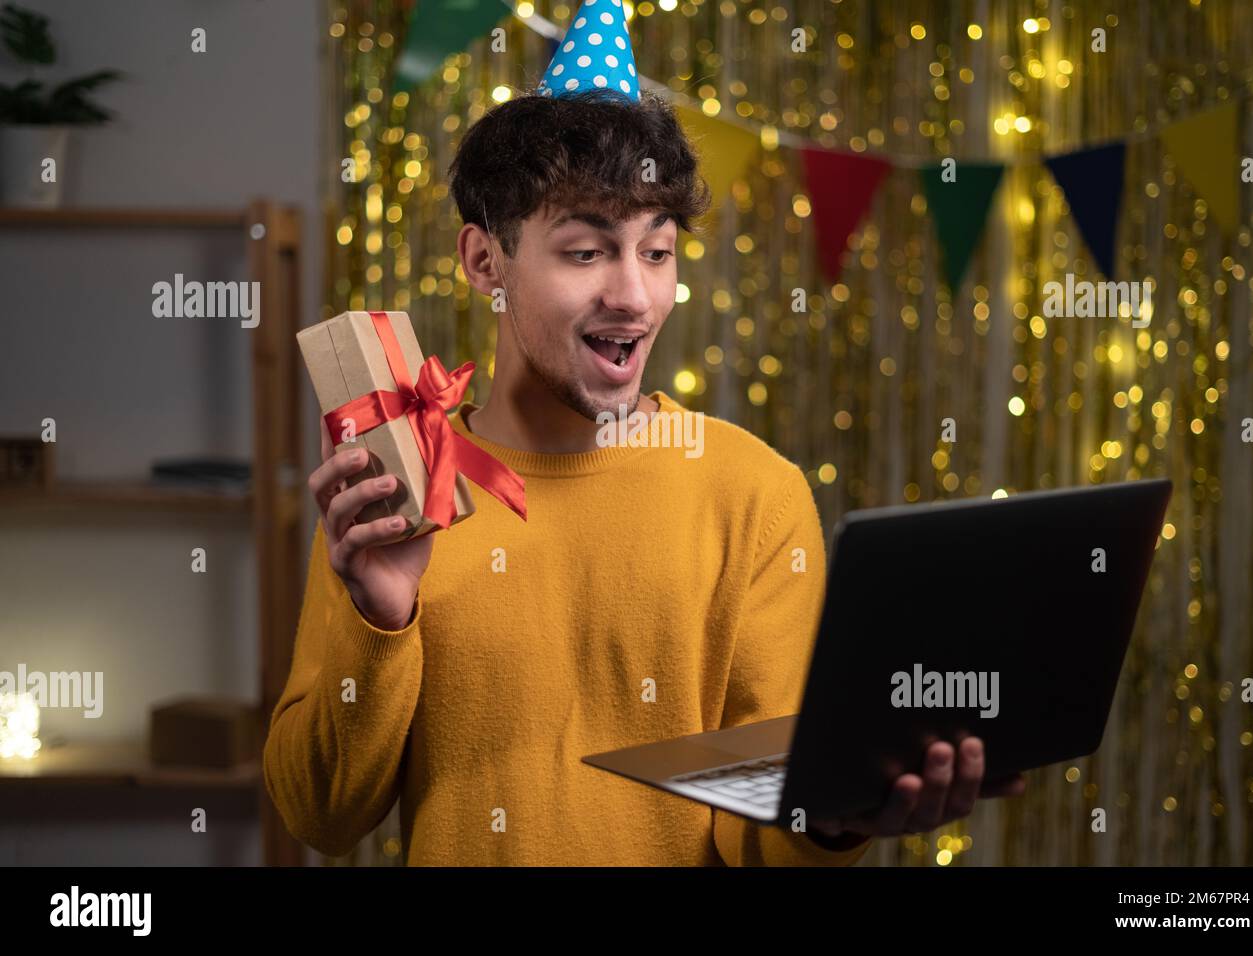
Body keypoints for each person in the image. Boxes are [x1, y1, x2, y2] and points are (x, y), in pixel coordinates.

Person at [264, 4, 1025, 866]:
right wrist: (380, 618)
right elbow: (318, 817)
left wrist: (841, 812)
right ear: (486, 263)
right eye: (586, 252)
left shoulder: (753, 495)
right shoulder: (394, 489)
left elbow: (762, 834)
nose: (633, 295)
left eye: (656, 252)